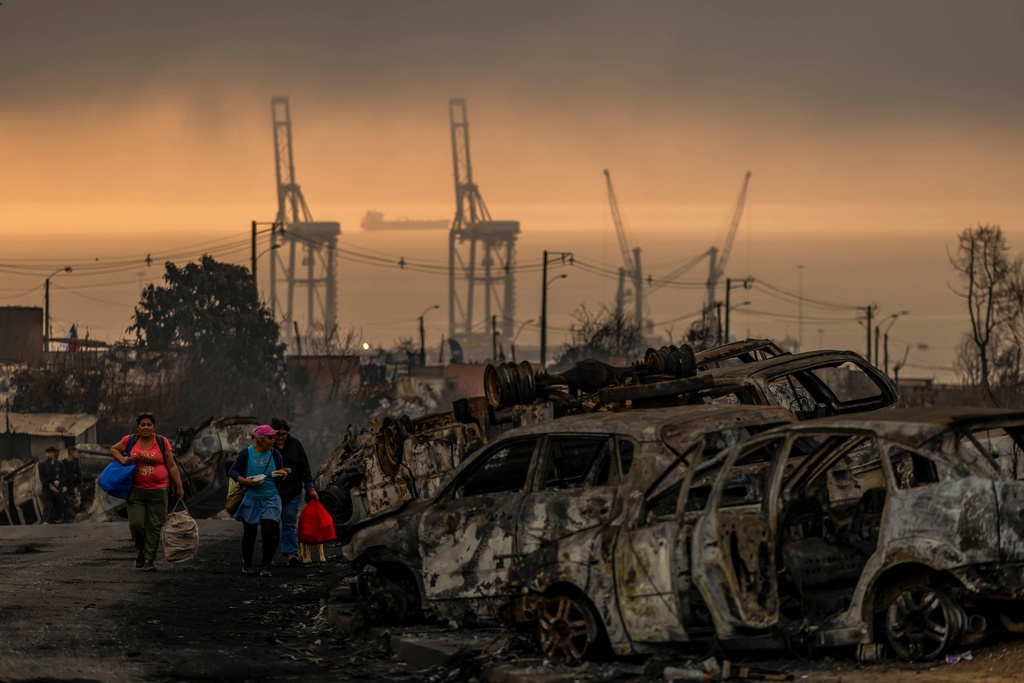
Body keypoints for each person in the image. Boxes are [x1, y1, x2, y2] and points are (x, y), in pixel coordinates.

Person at [109, 412, 185, 571]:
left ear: (154, 426)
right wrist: (122, 459)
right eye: (142, 424)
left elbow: (171, 465)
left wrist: (179, 486)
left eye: (149, 424)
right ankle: (141, 551)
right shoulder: (130, 440)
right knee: (137, 525)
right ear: (137, 427)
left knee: (154, 526)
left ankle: (149, 559)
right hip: (135, 492)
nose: (146, 427)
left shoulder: (162, 442)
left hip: (159, 491)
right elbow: (114, 449)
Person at [228, 425, 284, 576]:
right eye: (269, 438)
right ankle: (247, 563)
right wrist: (244, 481)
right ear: (259, 439)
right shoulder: (246, 454)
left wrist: (281, 475)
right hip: (251, 498)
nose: (273, 441)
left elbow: (280, 471)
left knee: (269, 531)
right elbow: (233, 471)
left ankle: (266, 566)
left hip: (271, 497)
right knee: (250, 532)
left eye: (273, 437)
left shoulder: (276, 455)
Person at [270, 418, 319, 567]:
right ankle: (269, 554)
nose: (280, 437)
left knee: (289, 520)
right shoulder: (268, 446)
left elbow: (304, 467)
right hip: (272, 492)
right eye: (277, 434)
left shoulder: (295, 445)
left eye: (283, 434)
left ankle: (291, 554)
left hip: (292, 491)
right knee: (271, 524)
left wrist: (310, 488)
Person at [37, 446, 65, 524]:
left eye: (49, 453)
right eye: (46, 453)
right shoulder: (42, 465)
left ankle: (58, 519)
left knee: (59, 503)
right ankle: (46, 520)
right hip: (47, 488)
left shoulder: (59, 464)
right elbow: (42, 478)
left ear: (53, 453)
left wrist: (58, 481)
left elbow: (63, 475)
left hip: (57, 487)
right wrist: (49, 485)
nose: (47, 455)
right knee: (48, 504)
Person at [62, 446, 84, 520]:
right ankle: (68, 518)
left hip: (74, 484)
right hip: (66, 485)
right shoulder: (63, 463)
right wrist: (63, 485)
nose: (77, 454)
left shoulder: (75, 462)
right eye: (76, 452)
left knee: (79, 498)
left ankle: (78, 513)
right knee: (68, 501)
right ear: (71, 453)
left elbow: (78, 472)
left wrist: (81, 481)